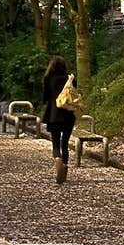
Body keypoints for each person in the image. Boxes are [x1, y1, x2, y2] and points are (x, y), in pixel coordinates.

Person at [41, 55, 76, 185]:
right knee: (65, 142)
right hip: (68, 115)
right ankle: (65, 168)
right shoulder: (70, 78)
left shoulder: (48, 79)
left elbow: (45, 98)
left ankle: (57, 160)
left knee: (55, 143)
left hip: (53, 115)